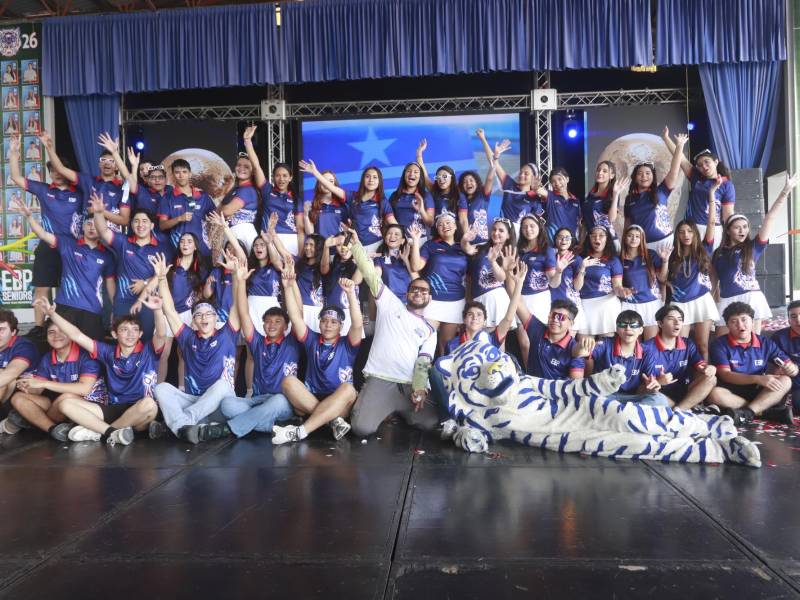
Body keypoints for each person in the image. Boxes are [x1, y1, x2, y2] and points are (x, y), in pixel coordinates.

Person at [32, 296, 163, 445]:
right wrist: (52, 314)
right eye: (124, 329)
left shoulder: (149, 351)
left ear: (140, 334)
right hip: (112, 409)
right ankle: (114, 432)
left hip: (139, 408)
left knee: (149, 405)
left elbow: (160, 334)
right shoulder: (107, 351)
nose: (130, 334)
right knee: (65, 404)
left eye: (134, 330)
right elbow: (76, 335)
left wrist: (158, 310)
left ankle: (101, 433)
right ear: (114, 334)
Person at [348, 229, 439, 437]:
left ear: (429, 299)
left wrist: (419, 388)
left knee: (430, 422)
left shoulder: (430, 330)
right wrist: (356, 245)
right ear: (407, 294)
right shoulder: (390, 303)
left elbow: (423, 363)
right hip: (380, 379)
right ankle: (379, 406)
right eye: (414, 289)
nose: (418, 292)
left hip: (407, 386)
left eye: (424, 291)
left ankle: (398, 410)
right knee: (362, 429)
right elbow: (370, 274)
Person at [274, 259, 363, 444]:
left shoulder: (348, 344)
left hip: (339, 402)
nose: (328, 325)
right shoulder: (312, 339)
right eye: (324, 321)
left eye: (334, 322)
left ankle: (301, 431)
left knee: (349, 389)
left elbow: (358, 324)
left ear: (340, 326)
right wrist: (288, 287)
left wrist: (350, 294)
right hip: (311, 397)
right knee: (288, 381)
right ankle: (331, 422)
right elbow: (296, 317)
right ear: (320, 323)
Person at [152, 253, 239, 443]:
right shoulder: (187, 337)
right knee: (161, 389)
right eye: (199, 315)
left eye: (209, 314)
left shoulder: (227, 334)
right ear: (193, 321)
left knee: (223, 384)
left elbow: (238, 306)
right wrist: (161, 278)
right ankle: (192, 427)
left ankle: (182, 425)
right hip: (194, 399)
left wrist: (234, 275)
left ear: (217, 319)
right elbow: (169, 310)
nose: (205, 317)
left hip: (220, 404)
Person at [7, 135, 84, 332]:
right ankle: (39, 327)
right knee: (42, 287)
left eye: (59, 169)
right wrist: (14, 153)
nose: (56, 173)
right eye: (52, 170)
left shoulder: (80, 192)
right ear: (49, 173)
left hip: (73, 247)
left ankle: (71, 325)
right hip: (48, 244)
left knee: (72, 288)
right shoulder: (43, 189)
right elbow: (16, 178)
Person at [13, 195, 114, 340]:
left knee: (91, 353)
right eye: (88, 224)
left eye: (95, 224)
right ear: (82, 226)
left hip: (92, 311)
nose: (92, 227)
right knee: (59, 347)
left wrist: (114, 310)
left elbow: (111, 287)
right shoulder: (68, 244)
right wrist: (29, 217)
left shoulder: (107, 256)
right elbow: (42, 234)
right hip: (65, 308)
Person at [220, 258, 300, 438]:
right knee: (227, 404)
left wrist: (289, 286)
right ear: (263, 325)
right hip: (257, 400)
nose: (271, 325)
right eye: (268, 322)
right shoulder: (257, 342)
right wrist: (240, 282)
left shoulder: (292, 342)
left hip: (282, 401)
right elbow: (244, 314)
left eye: (277, 322)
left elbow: (297, 314)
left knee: (278, 401)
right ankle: (270, 424)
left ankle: (229, 428)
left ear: (285, 327)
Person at [712, 174, 798, 336]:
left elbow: (770, 218)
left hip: (751, 299)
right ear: (728, 231)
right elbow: (714, 282)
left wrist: (785, 191)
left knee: (752, 345)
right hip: (726, 300)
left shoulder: (753, 247)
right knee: (721, 344)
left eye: (745, 227)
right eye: (737, 227)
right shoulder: (718, 253)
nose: (742, 230)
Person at [3, 318, 106, 442]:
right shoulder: (48, 358)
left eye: (62, 331)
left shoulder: (85, 354)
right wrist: (28, 387)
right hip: (59, 407)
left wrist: (44, 384)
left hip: (91, 407)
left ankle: (31, 420)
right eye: (51, 332)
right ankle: (54, 430)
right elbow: (38, 390)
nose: (56, 335)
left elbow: (83, 389)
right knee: (19, 398)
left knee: (66, 397)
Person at [90, 192, 166, 341]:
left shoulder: (161, 248)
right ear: (131, 225)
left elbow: (161, 276)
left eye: (144, 221)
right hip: (123, 302)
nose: (140, 225)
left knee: (146, 343)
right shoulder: (124, 242)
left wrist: (144, 284)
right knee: (123, 342)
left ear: (151, 225)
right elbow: (104, 232)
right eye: (136, 221)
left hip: (148, 302)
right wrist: (99, 214)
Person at [708, 302, 797, 425]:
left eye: (744, 320)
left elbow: (788, 364)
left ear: (752, 321)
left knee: (786, 380)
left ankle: (747, 413)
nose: (740, 325)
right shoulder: (719, 344)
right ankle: (766, 412)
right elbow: (725, 374)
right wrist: (758, 379)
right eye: (734, 322)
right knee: (714, 394)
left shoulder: (765, 342)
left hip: (760, 391)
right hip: (732, 391)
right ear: (727, 325)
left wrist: (792, 369)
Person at [666, 179, 720, 359]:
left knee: (702, 345)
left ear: (695, 233)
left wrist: (711, 196)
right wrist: (668, 284)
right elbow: (661, 277)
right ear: (677, 235)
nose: (686, 235)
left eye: (689, 231)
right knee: (679, 346)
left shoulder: (704, 249)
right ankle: (681, 380)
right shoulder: (672, 254)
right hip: (679, 303)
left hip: (701, 301)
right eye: (681, 232)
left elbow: (711, 223)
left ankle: (704, 377)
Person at [574, 309, 670, 406]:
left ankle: (622, 412)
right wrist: (581, 346)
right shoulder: (605, 343)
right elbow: (577, 353)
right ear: (617, 329)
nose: (628, 328)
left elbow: (643, 389)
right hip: (605, 395)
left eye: (634, 325)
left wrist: (651, 387)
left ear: (641, 330)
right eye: (623, 325)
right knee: (588, 397)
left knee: (660, 399)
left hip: (633, 398)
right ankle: (626, 414)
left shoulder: (648, 352)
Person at [42, 131, 130, 233]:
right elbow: (61, 169)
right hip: (88, 239)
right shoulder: (87, 180)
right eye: (103, 160)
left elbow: (124, 220)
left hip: (111, 242)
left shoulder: (123, 189)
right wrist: (49, 148)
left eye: (111, 161)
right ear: (99, 164)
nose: (107, 163)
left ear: (116, 166)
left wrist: (100, 212)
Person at [661, 127, 734, 247]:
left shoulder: (726, 184)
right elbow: (681, 159)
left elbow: (728, 215)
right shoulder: (696, 177)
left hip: (715, 229)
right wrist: (666, 138)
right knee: (694, 262)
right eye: (699, 165)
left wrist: (730, 237)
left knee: (712, 263)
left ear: (716, 162)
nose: (704, 167)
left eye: (707, 162)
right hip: (694, 229)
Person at [512, 262, 585, 380]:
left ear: (571, 324)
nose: (555, 320)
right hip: (531, 392)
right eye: (553, 315)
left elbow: (574, 387)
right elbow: (518, 303)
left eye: (561, 317)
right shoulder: (537, 329)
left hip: (556, 396)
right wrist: (509, 273)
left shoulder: (574, 349)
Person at [410, 211, 468, 354]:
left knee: (445, 347)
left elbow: (470, 278)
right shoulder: (430, 245)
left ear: (455, 227)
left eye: (448, 223)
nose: (444, 226)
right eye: (440, 224)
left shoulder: (464, 247)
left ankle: (441, 376)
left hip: (456, 302)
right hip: (433, 301)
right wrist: (416, 241)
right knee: (424, 342)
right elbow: (416, 266)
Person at [242, 127, 304, 257]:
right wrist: (247, 141)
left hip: (291, 240)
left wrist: (302, 252)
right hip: (268, 239)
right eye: (278, 175)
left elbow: (300, 229)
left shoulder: (296, 199)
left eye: (285, 175)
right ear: (273, 177)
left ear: (291, 177)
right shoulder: (267, 190)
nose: (281, 179)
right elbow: (256, 166)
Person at [643, 305, 717, 410]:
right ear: (660, 323)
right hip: (660, 395)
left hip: (686, 393)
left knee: (711, 379)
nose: (677, 323)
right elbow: (645, 385)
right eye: (671, 319)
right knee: (652, 397)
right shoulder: (647, 348)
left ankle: (679, 410)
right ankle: (685, 409)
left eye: (680, 320)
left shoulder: (688, 343)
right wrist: (659, 381)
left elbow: (700, 364)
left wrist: (708, 368)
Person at [622, 132, 687, 254]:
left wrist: (679, 146)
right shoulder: (630, 199)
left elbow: (674, 169)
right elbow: (627, 226)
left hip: (666, 243)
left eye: (648, 173)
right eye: (640, 174)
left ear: (653, 176)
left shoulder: (661, 190)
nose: (644, 176)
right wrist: (625, 249)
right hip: (643, 247)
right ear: (635, 177)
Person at [477, 129, 541, 235]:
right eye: (521, 172)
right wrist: (483, 139)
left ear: (534, 177)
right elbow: (493, 164)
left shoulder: (535, 197)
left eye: (526, 173)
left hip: (523, 237)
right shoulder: (510, 185)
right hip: (504, 235)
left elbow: (536, 224)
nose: (521, 175)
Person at [461, 218, 515, 331]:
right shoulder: (481, 247)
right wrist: (465, 240)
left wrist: (493, 261)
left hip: (496, 299)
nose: (496, 233)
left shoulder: (508, 253)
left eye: (501, 231)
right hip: (478, 299)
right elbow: (467, 249)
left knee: (497, 342)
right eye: (494, 229)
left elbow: (501, 277)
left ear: (508, 235)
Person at [619, 225, 669, 340]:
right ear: (625, 238)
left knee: (651, 343)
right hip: (630, 305)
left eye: (637, 236)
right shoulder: (620, 259)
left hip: (650, 303)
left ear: (642, 239)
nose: (633, 239)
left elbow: (662, 278)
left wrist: (665, 261)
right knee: (633, 344)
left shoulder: (650, 255)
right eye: (630, 236)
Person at [158, 158, 215, 257]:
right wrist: (179, 218)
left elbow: (216, 216)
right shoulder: (167, 198)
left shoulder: (202, 196)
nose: (181, 175)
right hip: (178, 248)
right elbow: (162, 225)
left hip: (201, 249)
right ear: (172, 175)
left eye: (184, 172)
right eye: (177, 172)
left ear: (190, 174)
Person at [578, 226, 623, 337]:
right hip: (584, 305)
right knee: (584, 346)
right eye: (593, 235)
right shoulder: (581, 258)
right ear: (589, 238)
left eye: (601, 235)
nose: (597, 238)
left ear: (607, 239)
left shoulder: (613, 260)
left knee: (606, 345)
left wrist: (622, 291)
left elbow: (617, 286)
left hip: (606, 305)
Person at [582, 162, 629, 249]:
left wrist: (615, 194)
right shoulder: (590, 195)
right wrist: (581, 243)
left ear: (611, 175)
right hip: (591, 240)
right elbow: (585, 222)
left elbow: (612, 219)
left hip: (608, 241)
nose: (600, 173)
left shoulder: (612, 195)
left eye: (604, 171)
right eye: (598, 170)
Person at [383, 162, 434, 239]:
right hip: (400, 239)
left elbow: (430, 223)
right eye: (409, 171)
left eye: (416, 172)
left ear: (420, 177)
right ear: (404, 175)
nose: (412, 174)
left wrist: (422, 211)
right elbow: (388, 219)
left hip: (420, 239)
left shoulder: (426, 195)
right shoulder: (395, 195)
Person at [297, 159, 347, 238]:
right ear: (319, 184)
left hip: (337, 248)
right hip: (319, 248)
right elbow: (310, 232)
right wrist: (306, 215)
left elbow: (347, 230)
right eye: (324, 181)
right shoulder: (312, 205)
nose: (326, 184)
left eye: (331, 181)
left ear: (335, 184)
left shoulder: (343, 205)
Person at [0, 310, 39, 404]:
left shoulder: (24, 346)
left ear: (13, 332)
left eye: (1, 330)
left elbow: (11, 373)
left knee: (5, 378)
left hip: (26, 394)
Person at [549, 227, 584, 332]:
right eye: (560, 237)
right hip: (551, 302)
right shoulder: (550, 257)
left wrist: (582, 269)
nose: (564, 240)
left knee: (569, 337)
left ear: (572, 240)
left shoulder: (576, 259)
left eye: (567, 237)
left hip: (570, 303)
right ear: (555, 239)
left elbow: (578, 287)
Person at [416, 139, 460, 219]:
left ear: (452, 177)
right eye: (438, 177)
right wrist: (419, 153)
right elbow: (424, 174)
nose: (441, 179)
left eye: (444, 176)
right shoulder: (434, 190)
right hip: (437, 229)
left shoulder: (459, 192)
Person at [536, 167, 581, 241]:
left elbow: (579, 223)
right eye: (553, 181)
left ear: (567, 179)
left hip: (572, 242)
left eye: (560, 179)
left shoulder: (576, 201)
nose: (557, 183)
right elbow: (538, 190)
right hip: (554, 241)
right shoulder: (550, 196)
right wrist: (535, 185)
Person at [771, 300, 800, 412]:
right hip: (795, 383)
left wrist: (796, 367)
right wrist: (779, 370)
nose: (798, 320)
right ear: (788, 319)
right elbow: (774, 362)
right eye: (793, 316)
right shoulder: (779, 337)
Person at [457, 167, 492, 246]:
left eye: (471, 180)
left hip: (482, 242)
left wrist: (493, 163)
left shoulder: (483, 195)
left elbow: (489, 179)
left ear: (477, 183)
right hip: (465, 244)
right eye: (464, 182)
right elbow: (462, 220)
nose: (468, 183)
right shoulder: (461, 200)